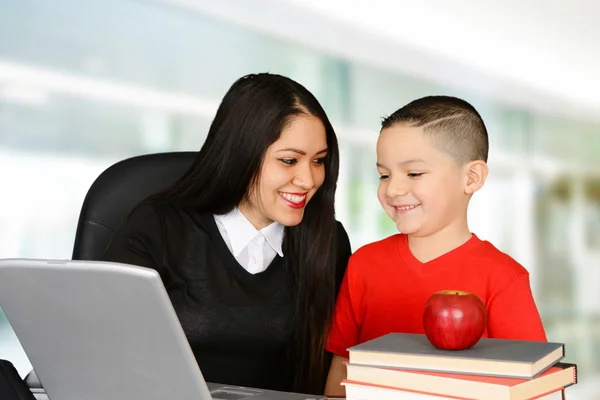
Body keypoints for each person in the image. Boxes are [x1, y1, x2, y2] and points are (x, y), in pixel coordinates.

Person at [100, 73, 352, 395]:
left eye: (319, 160)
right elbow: (104, 344)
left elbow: (338, 364)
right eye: (289, 160)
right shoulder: (160, 226)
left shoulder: (328, 240)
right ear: (241, 155)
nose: (308, 179)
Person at [323, 95, 547, 397]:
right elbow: (342, 366)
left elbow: (533, 387)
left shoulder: (504, 278)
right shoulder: (363, 264)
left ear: (471, 177)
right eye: (384, 175)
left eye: (414, 173)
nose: (393, 189)